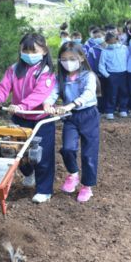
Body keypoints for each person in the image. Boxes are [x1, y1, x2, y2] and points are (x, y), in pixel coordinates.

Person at [0, 33, 57, 204]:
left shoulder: (46, 73)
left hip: (40, 119)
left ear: (44, 51)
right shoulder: (14, 69)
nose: (29, 54)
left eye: (34, 51)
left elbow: (39, 95)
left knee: (42, 155)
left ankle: (44, 190)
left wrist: (22, 105)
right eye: (25, 50)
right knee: (14, 150)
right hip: (19, 119)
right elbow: (4, 87)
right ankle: (28, 173)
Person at [44, 43, 100, 203]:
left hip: (88, 115)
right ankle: (73, 174)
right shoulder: (59, 77)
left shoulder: (88, 75)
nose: (68, 62)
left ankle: (87, 186)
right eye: (64, 59)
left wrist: (72, 104)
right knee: (67, 148)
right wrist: (47, 103)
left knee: (89, 154)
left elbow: (89, 93)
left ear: (81, 58)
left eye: (72, 59)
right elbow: (54, 92)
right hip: (70, 117)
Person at [98, 32, 129, 119]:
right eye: (109, 42)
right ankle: (110, 111)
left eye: (113, 41)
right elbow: (101, 65)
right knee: (112, 93)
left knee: (124, 92)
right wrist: (107, 75)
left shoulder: (124, 48)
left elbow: (128, 58)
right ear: (107, 42)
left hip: (124, 73)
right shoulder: (105, 52)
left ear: (117, 39)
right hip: (112, 75)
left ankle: (123, 109)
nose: (112, 44)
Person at [85, 28, 107, 113]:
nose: (97, 38)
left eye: (99, 36)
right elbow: (90, 63)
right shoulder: (93, 49)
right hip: (98, 74)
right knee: (100, 92)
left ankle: (110, 108)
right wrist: (93, 74)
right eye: (95, 37)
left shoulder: (110, 47)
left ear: (104, 36)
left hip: (111, 73)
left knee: (111, 91)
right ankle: (101, 109)